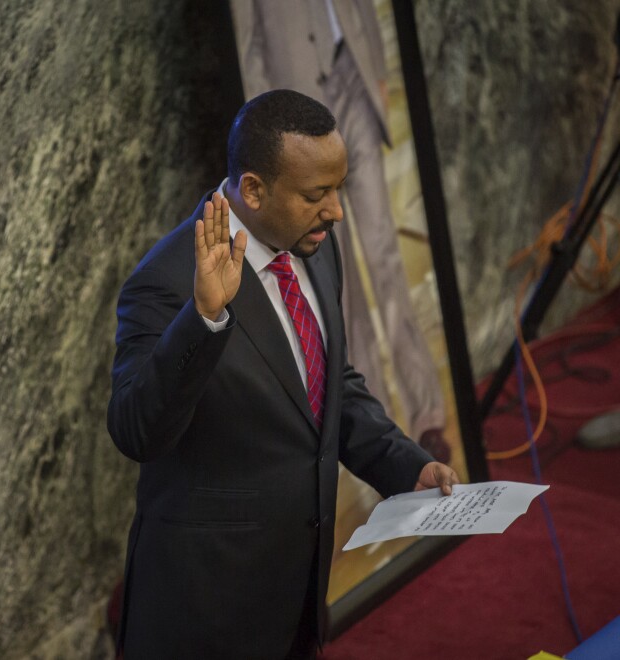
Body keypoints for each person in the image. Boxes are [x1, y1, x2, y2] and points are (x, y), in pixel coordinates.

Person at [107, 90, 458, 660]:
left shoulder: (315, 245)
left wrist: (404, 465)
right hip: (206, 614)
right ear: (252, 189)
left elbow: (329, 387)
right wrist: (205, 319)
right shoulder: (165, 283)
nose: (336, 211)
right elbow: (135, 431)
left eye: (337, 189)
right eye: (316, 195)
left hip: (299, 594)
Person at [230, 0, 450, 461]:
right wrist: (268, 139)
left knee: (384, 253)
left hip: (353, 79)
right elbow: (247, 42)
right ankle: (378, 435)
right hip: (294, 122)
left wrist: (375, 65)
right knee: (338, 283)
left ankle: (428, 414)